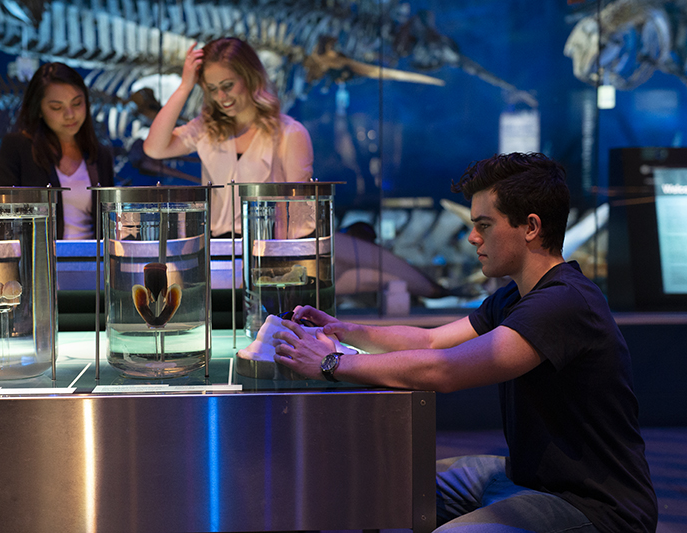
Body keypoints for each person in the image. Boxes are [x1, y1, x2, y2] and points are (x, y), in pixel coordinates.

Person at [273, 152, 658, 532]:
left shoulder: (564, 302)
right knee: (381, 486)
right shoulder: (514, 296)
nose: (473, 237)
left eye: (484, 225)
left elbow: (446, 370)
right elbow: (431, 341)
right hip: (527, 478)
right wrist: (344, 331)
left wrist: (331, 363)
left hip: (594, 508)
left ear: (531, 227)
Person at [143, 37, 314, 238]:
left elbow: (300, 216)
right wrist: (184, 88)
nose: (222, 97)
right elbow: (154, 149)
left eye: (228, 85)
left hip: (268, 252)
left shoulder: (290, 133)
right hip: (215, 249)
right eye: (213, 89)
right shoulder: (205, 128)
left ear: (250, 77)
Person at [0, 62, 115, 239]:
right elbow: (2, 219)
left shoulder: (100, 155)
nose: (70, 114)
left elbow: (108, 223)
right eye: (56, 107)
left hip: (93, 261)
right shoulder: (17, 148)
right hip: (38, 263)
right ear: (39, 109)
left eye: (77, 103)